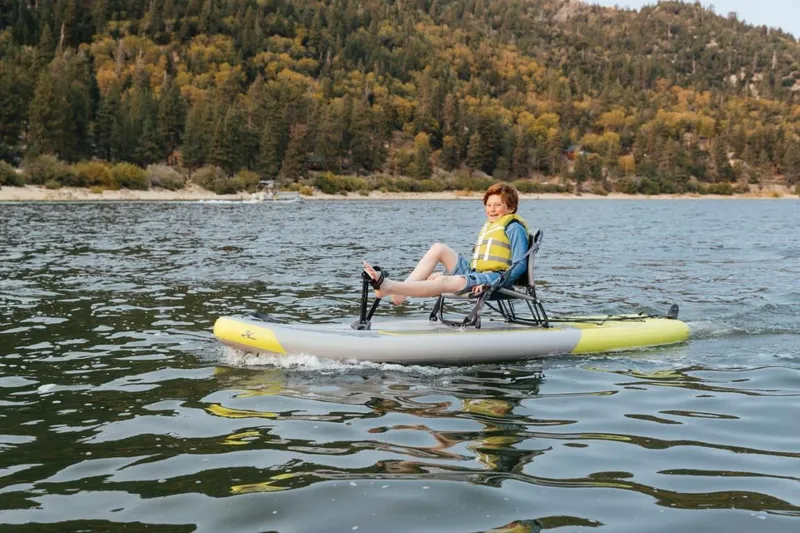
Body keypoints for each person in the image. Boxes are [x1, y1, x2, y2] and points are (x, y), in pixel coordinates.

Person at [363, 182, 531, 304]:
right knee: (439, 248)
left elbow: (520, 265)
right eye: (488, 205)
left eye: (497, 205)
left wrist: (491, 284)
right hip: (476, 272)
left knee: (441, 282)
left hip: (494, 278)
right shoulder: (491, 226)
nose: (491, 209)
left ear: (510, 208)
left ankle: (389, 286)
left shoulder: (514, 228)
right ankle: (401, 294)